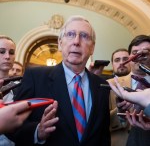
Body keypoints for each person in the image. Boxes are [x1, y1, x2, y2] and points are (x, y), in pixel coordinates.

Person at [8, 15, 110, 146]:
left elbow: (104, 135)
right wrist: (37, 132)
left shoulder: (101, 85)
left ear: (92, 48)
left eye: (84, 36)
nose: (76, 41)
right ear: (60, 44)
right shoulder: (35, 77)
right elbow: (12, 126)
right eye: (71, 34)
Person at [108, 35, 150, 146]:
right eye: (135, 52)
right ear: (130, 57)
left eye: (145, 52)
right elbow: (98, 122)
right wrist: (120, 112)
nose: (140, 56)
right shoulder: (111, 84)